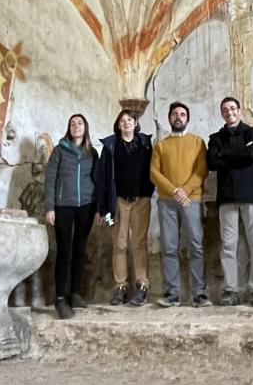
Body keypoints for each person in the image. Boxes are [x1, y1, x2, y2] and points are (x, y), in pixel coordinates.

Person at [206, 96, 253, 307]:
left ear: (239, 110)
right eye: (225, 109)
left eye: (232, 108)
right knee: (228, 246)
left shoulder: (252, 132)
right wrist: (239, 153)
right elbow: (212, 162)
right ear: (222, 113)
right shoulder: (215, 137)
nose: (229, 112)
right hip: (227, 197)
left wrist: (224, 153)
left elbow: (252, 155)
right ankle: (231, 290)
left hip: (252, 195)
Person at [150, 102, 210, 307]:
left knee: (196, 246)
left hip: (191, 199)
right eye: (175, 114)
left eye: (182, 114)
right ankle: (172, 294)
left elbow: (202, 169)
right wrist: (174, 191)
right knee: (169, 247)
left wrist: (185, 190)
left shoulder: (198, 142)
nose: (178, 117)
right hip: (167, 201)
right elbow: (154, 173)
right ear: (169, 118)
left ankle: (199, 294)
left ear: (187, 118)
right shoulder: (161, 146)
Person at [95, 109, 155, 307]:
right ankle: (120, 286)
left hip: (141, 201)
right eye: (122, 120)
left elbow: (152, 170)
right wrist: (103, 209)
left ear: (135, 123)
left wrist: (147, 192)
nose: (126, 123)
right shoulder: (110, 146)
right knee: (119, 244)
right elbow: (102, 179)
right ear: (118, 125)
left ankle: (142, 284)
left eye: (130, 119)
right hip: (117, 203)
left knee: (139, 243)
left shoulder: (145, 144)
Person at [44, 114, 98, 320]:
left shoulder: (92, 152)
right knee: (64, 250)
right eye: (73, 124)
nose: (76, 126)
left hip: (86, 206)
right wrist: (50, 208)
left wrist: (100, 210)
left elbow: (98, 180)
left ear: (85, 128)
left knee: (80, 249)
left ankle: (75, 293)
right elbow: (50, 180)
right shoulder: (59, 151)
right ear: (69, 128)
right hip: (63, 206)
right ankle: (60, 297)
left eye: (80, 123)